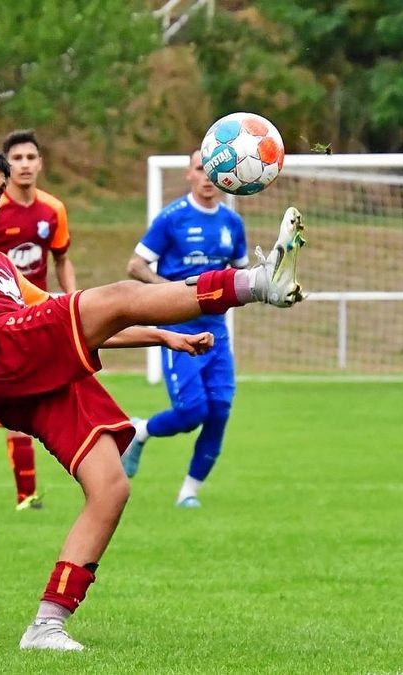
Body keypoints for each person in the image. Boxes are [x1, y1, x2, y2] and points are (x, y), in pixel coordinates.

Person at [0, 139, 305, 651]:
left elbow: (74, 318)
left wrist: (162, 335)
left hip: (33, 373)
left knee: (111, 487)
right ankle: (256, 283)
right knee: (121, 295)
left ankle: (47, 623)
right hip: (2, 352)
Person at [121, 149, 249, 508]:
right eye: (200, 169)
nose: (208, 177)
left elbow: (238, 275)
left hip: (217, 333)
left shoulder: (232, 224)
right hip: (180, 331)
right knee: (193, 411)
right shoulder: (172, 218)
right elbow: (136, 265)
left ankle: (188, 492)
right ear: (189, 175)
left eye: (215, 170)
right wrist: (169, 291)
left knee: (219, 411)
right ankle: (140, 431)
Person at [0, 129, 77, 511]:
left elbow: (61, 259)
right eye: (17, 159)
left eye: (31, 157)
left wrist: (72, 300)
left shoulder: (52, 210)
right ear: (7, 167)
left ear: (40, 163)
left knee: (33, 398)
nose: (24, 165)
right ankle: (26, 494)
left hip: (38, 312)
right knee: (25, 400)